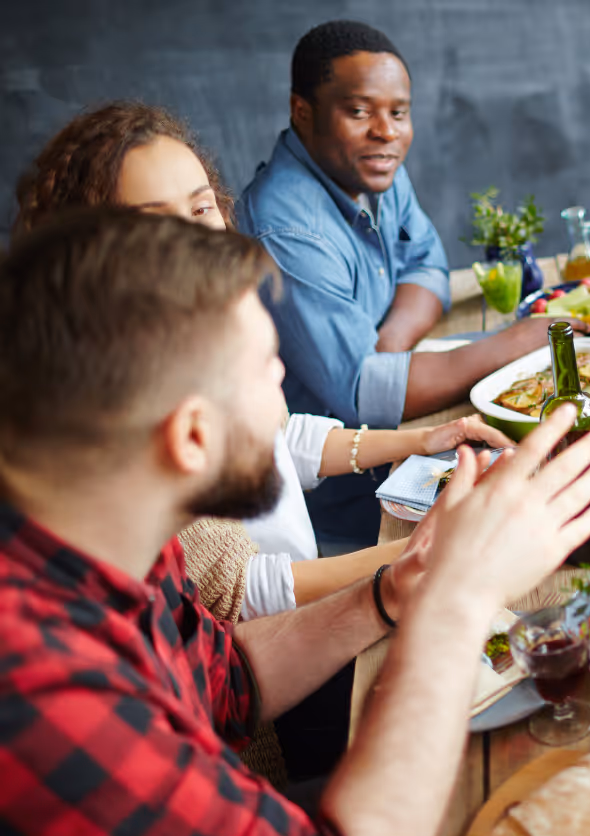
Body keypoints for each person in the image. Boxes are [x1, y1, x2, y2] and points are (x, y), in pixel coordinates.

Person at [0, 207, 590, 836]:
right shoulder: (45, 689)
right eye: (268, 367)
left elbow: (228, 681)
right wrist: (455, 605)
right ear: (193, 437)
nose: (284, 386)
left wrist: (394, 592)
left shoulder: (110, 537)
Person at [12, 101, 513, 621]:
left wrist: (420, 440)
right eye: (157, 224)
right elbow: (244, 592)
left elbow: (280, 437)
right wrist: (430, 551)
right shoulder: (125, 402)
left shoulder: (212, 332)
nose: (199, 237)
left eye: (202, 208)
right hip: (275, 645)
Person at [238, 20, 580, 551]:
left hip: (410, 432)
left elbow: (428, 265)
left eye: (398, 112)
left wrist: (389, 344)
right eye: (359, 111)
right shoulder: (286, 229)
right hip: (354, 503)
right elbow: (363, 396)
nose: (387, 131)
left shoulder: (370, 167)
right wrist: (510, 342)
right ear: (301, 111)